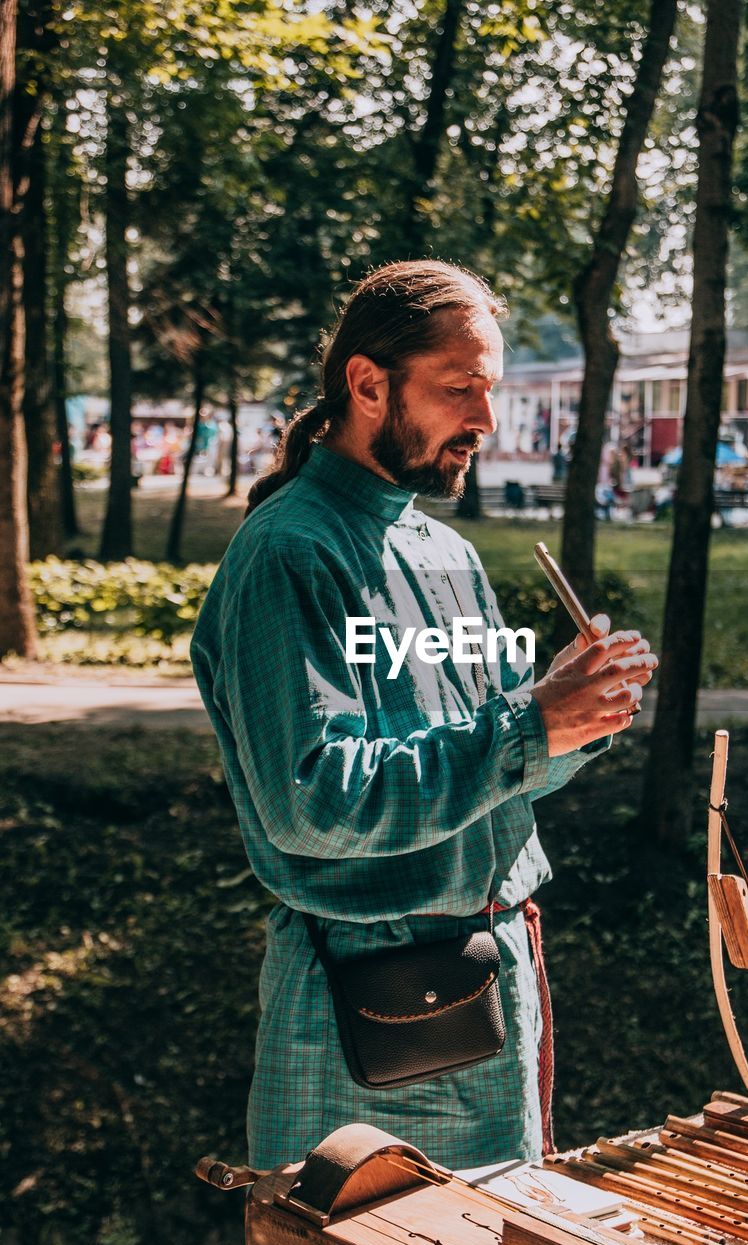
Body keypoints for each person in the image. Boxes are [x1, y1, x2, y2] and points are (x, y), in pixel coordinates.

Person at [190, 260, 657, 1172]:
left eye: (489, 390)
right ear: (367, 383)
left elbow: (490, 772)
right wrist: (528, 730)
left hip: (487, 977)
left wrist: (570, 721)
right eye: (459, 389)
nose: (483, 420)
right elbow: (315, 801)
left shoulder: (443, 550)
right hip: (364, 997)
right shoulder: (288, 551)